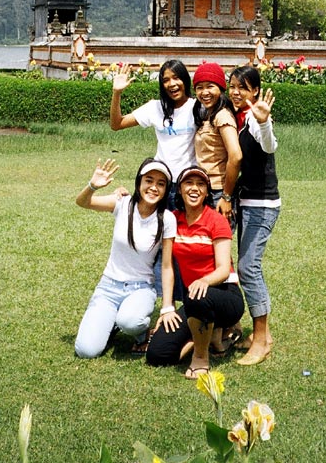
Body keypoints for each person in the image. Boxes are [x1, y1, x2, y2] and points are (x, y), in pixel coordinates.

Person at [145, 164, 244, 378]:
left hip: (226, 296)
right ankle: (212, 336)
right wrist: (167, 308)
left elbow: (223, 270)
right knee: (157, 354)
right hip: (195, 299)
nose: (194, 188)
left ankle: (201, 358)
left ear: (207, 192)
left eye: (201, 184)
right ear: (179, 189)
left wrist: (204, 281)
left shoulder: (216, 220)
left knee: (196, 297)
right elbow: (168, 266)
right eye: (188, 183)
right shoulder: (173, 219)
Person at [74, 157, 176, 359]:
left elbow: (166, 266)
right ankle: (110, 322)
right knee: (86, 351)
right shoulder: (122, 204)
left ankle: (140, 334)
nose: (153, 187)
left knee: (130, 321)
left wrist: (167, 307)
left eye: (161, 183)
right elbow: (83, 202)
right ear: (139, 182)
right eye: (149, 180)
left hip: (141, 288)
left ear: (166, 190)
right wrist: (92, 186)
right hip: (108, 287)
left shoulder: (167, 219)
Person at [229, 64, 279, 366]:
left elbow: (269, 144)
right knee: (241, 266)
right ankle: (262, 335)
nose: (236, 93)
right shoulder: (234, 118)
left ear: (256, 91)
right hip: (243, 203)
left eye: (243, 88)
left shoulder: (256, 118)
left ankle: (261, 340)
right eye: (232, 86)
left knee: (249, 268)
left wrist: (263, 120)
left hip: (262, 205)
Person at [110, 60, 196, 184]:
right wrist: (116, 93)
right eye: (166, 80)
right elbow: (116, 124)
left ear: (185, 80)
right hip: (161, 180)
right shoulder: (155, 107)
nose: (172, 84)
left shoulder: (197, 107)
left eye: (176, 78)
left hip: (189, 181)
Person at [191, 61, 242, 219]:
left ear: (221, 88)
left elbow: (236, 156)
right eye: (200, 87)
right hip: (206, 189)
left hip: (219, 191)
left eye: (210, 86)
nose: (204, 92)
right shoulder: (207, 115)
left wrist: (226, 196)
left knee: (218, 242)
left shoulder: (222, 116)